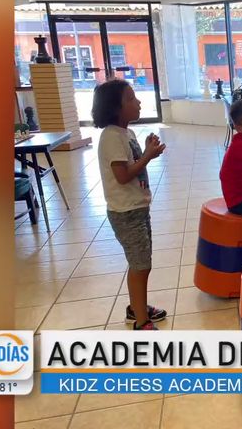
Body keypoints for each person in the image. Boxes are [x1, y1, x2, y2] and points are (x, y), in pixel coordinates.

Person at [92, 79, 168, 330]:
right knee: (141, 265)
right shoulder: (111, 137)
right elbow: (123, 176)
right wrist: (147, 156)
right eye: (131, 99)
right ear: (116, 108)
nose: (138, 102)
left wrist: (145, 151)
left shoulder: (126, 133)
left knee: (141, 263)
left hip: (137, 207)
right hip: (126, 213)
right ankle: (141, 321)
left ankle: (137, 307)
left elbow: (132, 166)